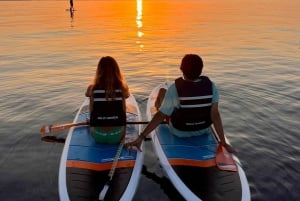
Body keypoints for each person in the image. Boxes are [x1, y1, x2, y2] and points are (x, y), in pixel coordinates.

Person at [125, 54, 237, 154]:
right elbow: (215, 115)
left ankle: (160, 105)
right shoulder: (212, 87)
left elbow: (160, 116)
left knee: (162, 92)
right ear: (201, 70)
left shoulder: (174, 89)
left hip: (179, 131)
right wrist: (224, 142)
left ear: (181, 69)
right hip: (203, 130)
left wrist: (141, 137)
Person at [85, 56, 130, 144]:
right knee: (122, 102)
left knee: (92, 97)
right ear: (116, 70)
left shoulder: (92, 88)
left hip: (98, 136)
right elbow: (127, 97)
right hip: (118, 136)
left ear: (99, 71)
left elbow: (87, 94)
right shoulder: (122, 88)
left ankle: (92, 121)